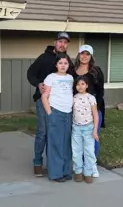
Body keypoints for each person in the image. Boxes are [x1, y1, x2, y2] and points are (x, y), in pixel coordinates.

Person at [27, 32, 74, 177]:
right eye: (60, 41)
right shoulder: (43, 58)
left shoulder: (67, 61)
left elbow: (73, 80)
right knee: (43, 132)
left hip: (61, 105)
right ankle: (37, 162)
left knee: (58, 135)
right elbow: (30, 73)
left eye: (65, 42)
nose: (62, 45)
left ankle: (54, 165)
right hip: (44, 101)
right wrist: (38, 83)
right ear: (55, 42)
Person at [73, 44, 105, 178]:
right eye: (82, 53)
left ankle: (92, 166)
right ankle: (80, 167)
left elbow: (100, 92)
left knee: (93, 139)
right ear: (79, 55)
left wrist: (95, 111)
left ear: (91, 56)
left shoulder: (96, 71)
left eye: (87, 54)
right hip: (77, 113)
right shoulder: (72, 71)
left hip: (93, 110)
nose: (84, 56)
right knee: (79, 142)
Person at [41, 53, 74, 182]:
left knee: (66, 143)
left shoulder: (71, 78)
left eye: (65, 63)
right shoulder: (50, 77)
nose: (63, 65)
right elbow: (44, 96)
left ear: (68, 65)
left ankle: (66, 171)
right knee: (55, 143)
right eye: (60, 63)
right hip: (56, 112)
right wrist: (49, 112)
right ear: (56, 64)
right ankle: (55, 173)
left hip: (68, 113)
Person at [72, 75, 99, 184]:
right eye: (78, 84)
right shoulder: (73, 98)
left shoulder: (91, 98)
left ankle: (88, 172)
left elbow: (95, 115)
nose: (80, 86)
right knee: (76, 151)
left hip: (88, 128)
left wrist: (95, 130)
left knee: (89, 151)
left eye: (82, 84)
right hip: (76, 128)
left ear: (87, 85)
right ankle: (78, 172)